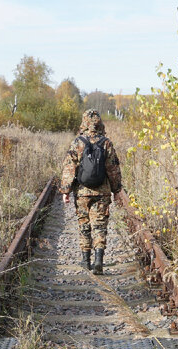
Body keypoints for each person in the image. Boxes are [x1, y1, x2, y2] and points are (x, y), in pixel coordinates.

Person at [59, 109, 126, 275]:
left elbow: (69, 167)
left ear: (84, 123)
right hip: (102, 192)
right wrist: (116, 189)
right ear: (99, 123)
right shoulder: (106, 142)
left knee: (84, 224)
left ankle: (85, 260)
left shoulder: (78, 142)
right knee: (100, 225)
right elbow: (113, 168)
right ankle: (98, 261)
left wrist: (66, 190)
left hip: (82, 192)